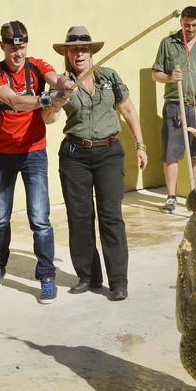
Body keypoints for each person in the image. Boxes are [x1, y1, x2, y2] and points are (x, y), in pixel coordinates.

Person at [42, 26, 147, 301]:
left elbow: (128, 110)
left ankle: (118, 281)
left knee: (111, 216)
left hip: (109, 153)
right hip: (75, 155)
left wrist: (141, 144)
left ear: (91, 52)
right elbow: (47, 119)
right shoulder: (61, 83)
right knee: (79, 218)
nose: (79, 53)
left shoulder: (109, 77)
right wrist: (57, 102)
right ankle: (88, 277)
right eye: (73, 49)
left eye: (83, 49)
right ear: (66, 52)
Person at [0, 20, 73, 304]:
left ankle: (46, 275)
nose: (18, 53)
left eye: (21, 47)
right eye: (12, 47)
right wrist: (48, 98)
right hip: (2, 155)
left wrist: (66, 83)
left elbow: (56, 78)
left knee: (40, 219)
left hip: (34, 152)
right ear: (2, 47)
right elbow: (14, 101)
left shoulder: (36, 65)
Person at [152, 6, 196, 214]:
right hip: (175, 106)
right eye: (186, 25)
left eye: (194, 25)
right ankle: (171, 197)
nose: (190, 29)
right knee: (170, 154)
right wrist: (169, 77)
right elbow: (155, 73)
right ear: (181, 22)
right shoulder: (168, 44)